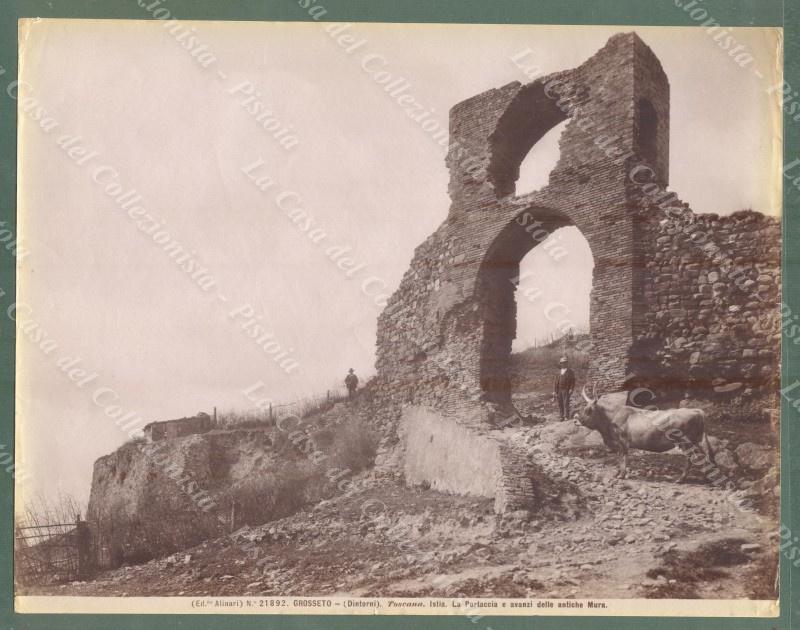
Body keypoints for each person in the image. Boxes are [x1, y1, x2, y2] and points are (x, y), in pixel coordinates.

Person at [553, 356, 575, 421]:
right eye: (562, 363)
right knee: (560, 403)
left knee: (566, 403)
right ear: (560, 364)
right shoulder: (558, 372)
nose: (563, 364)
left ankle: (566, 416)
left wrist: (571, 389)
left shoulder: (570, 371)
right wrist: (555, 391)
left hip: (566, 389)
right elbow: (555, 382)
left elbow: (573, 381)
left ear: (567, 363)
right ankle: (561, 416)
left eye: (565, 363)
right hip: (559, 390)